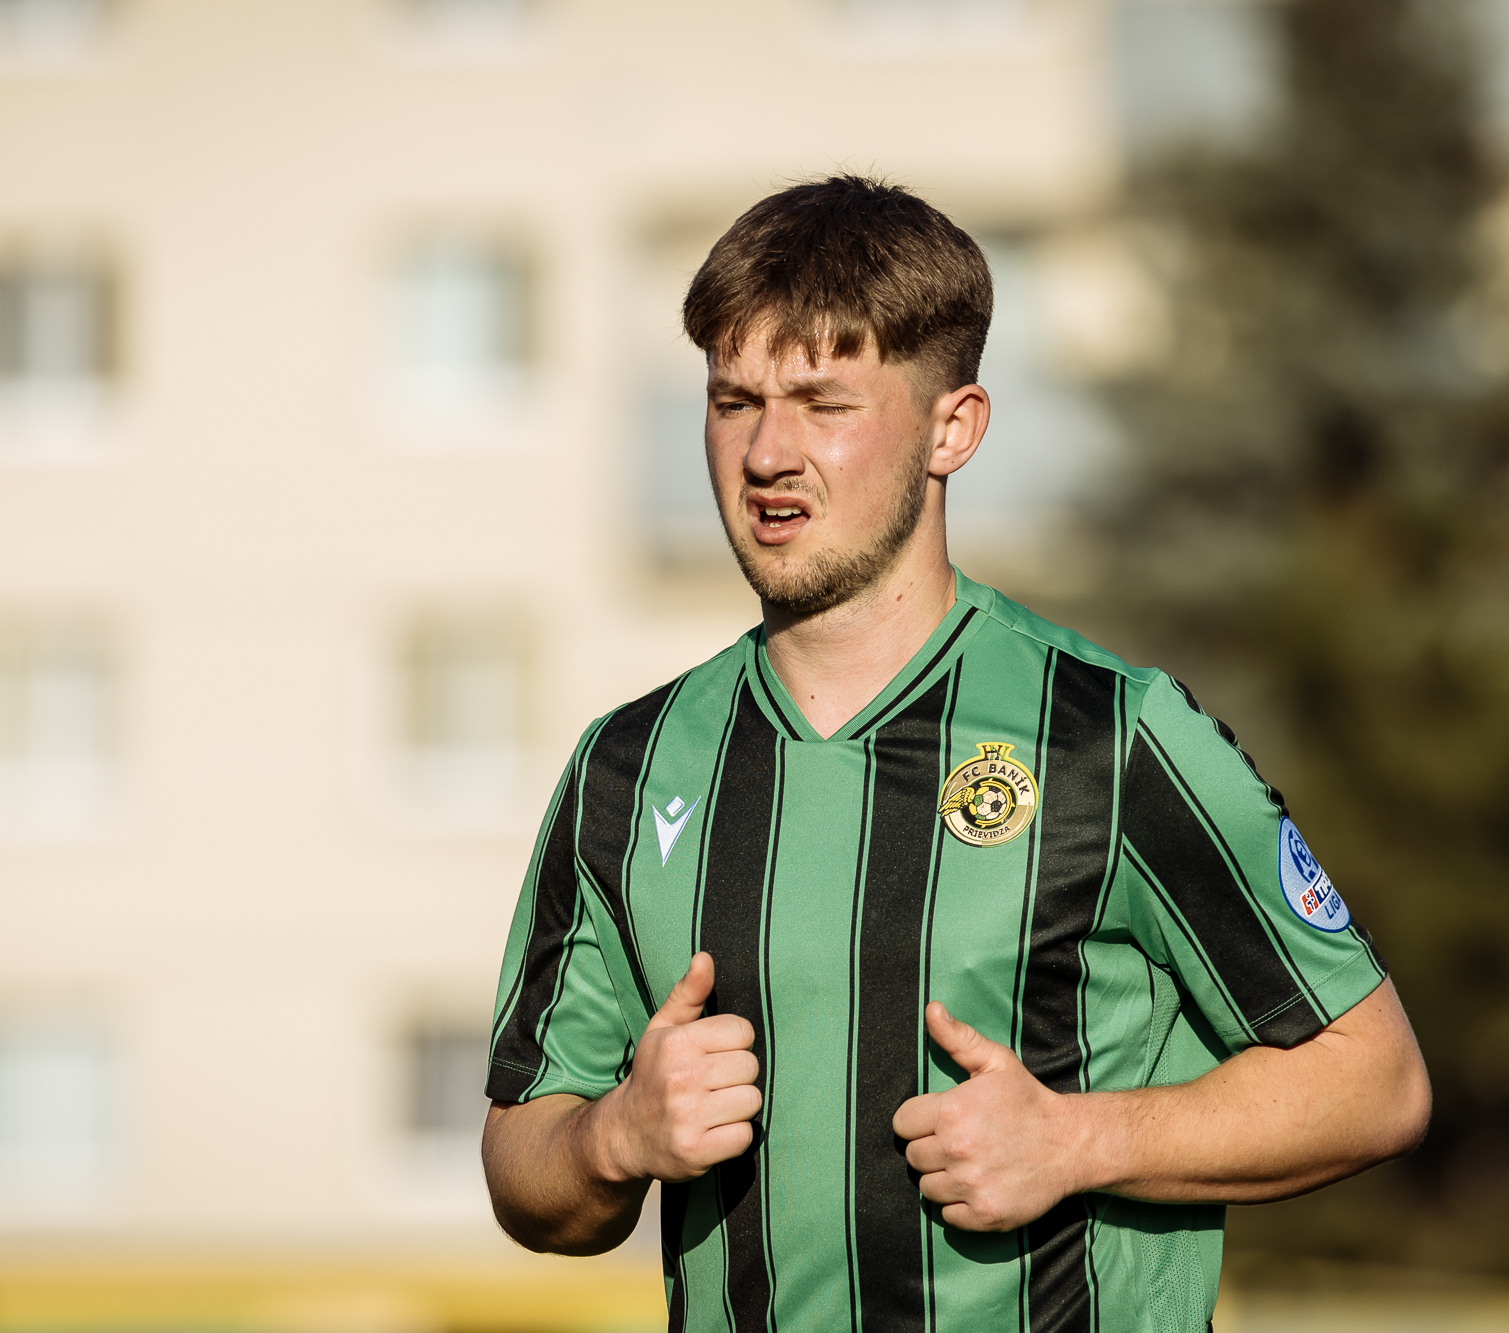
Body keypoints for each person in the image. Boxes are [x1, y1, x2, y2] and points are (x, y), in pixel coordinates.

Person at [480, 175, 1431, 1331]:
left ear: (952, 427)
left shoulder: (1109, 736)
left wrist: (1075, 1140)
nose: (766, 451)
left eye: (823, 403)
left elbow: (1373, 1080)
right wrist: (613, 1136)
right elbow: (522, 1158)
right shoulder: (629, 767)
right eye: (734, 401)